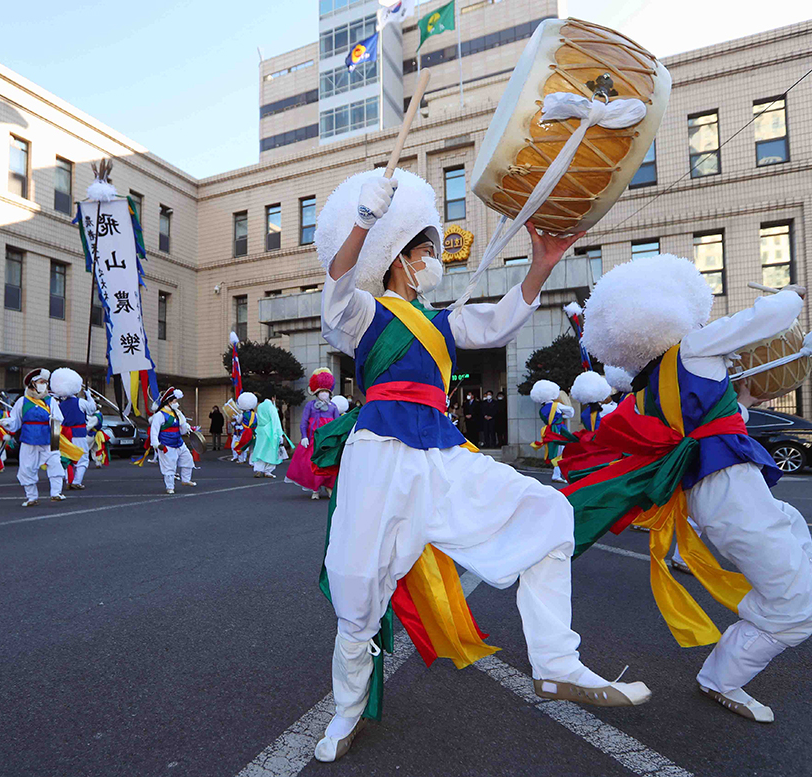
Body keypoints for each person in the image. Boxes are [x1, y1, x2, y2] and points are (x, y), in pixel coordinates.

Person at [311, 168, 650, 763]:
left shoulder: (445, 322)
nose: (434, 261)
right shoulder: (365, 313)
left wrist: (541, 264)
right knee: (357, 591)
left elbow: (496, 323)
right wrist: (364, 222)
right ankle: (346, 712)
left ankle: (556, 662)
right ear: (398, 259)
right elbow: (334, 294)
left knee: (547, 512)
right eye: (425, 251)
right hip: (378, 457)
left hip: (443, 456)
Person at [573, 254, 812, 724]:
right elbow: (767, 318)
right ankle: (724, 676)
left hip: (723, 486)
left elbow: (732, 400)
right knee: (787, 600)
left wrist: (790, 359)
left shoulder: (656, 378)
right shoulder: (693, 349)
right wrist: (789, 295)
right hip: (728, 491)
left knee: (790, 525)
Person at [0, 368, 66, 507]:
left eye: (45, 382)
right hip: (29, 437)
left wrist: (54, 425)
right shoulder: (22, 401)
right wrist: (7, 423)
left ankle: (56, 493)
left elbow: (59, 418)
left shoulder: (50, 401)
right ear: (32, 384)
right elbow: (15, 421)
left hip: (49, 436)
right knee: (27, 467)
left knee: (55, 463)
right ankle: (31, 497)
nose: (43, 385)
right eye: (40, 382)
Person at [285, 368, 342, 499]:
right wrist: (304, 436)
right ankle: (315, 489)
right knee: (313, 464)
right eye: (321, 391)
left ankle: (329, 487)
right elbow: (304, 422)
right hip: (313, 440)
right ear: (316, 392)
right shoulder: (310, 406)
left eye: (326, 391)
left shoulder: (333, 407)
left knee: (329, 463)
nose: (324, 394)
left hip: (328, 441)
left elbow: (338, 424)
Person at [51, 368, 96, 490]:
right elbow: (92, 409)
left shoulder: (60, 404)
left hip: (65, 434)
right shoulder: (80, 402)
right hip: (78, 434)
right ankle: (76, 481)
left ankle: (68, 479)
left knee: (67, 457)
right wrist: (89, 396)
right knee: (82, 458)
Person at [149, 387, 195, 494]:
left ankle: (186, 480)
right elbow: (154, 431)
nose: (177, 403)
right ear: (169, 402)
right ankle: (170, 487)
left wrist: (187, 428)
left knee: (188, 459)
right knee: (169, 467)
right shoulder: (160, 415)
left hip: (179, 442)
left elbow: (182, 429)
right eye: (175, 401)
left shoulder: (177, 413)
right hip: (167, 444)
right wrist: (156, 444)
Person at [530, 380, 575, 483]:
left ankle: (558, 473)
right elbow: (571, 412)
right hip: (560, 430)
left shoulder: (541, 410)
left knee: (555, 452)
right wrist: (562, 416)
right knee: (561, 452)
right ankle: (557, 474)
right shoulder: (557, 406)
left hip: (549, 431)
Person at [249, 398, 287, 478]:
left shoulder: (260, 407)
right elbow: (275, 421)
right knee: (271, 451)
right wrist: (279, 434)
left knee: (260, 450)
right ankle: (268, 471)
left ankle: (258, 469)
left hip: (261, 431)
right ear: (273, 397)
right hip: (271, 431)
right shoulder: (271, 407)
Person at [231, 392, 258, 463]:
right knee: (252, 448)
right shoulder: (255, 414)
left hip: (245, 432)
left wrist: (236, 418)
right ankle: (251, 462)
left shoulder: (242, 415)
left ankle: (241, 460)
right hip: (254, 433)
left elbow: (239, 422)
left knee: (242, 446)